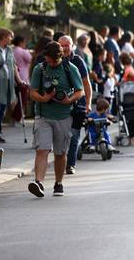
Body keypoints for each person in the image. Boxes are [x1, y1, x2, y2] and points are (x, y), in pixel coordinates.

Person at [28, 41, 84, 197]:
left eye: (53, 61)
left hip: (64, 116)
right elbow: (32, 92)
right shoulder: (40, 69)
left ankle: (58, 183)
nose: (50, 63)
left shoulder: (70, 69)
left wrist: (69, 100)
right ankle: (38, 182)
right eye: (48, 60)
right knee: (42, 150)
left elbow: (80, 91)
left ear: (60, 57)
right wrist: (44, 98)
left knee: (60, 153)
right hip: (43, 115)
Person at [58, 36, 93, 175]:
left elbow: (86, 83)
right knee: (60, 136)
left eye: (67, 45)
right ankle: (60, 160)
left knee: (74, 136)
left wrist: (88, 103)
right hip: (59, 105)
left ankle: (70, 164)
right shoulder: (53, 61)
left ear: (72, 46)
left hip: (78, 105)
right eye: (62, 45)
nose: (65, 48)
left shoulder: (78, 61)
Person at [0, 29, 21, 144]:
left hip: (8, 83)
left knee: (2, 110)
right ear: (3, 37)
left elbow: (14, 66)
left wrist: (19, 80)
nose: (11, 39)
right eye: (10, 36)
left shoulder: (9, 50)